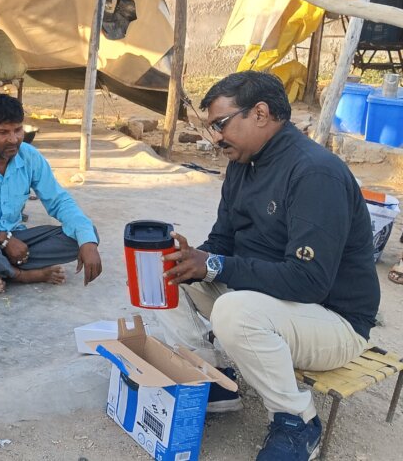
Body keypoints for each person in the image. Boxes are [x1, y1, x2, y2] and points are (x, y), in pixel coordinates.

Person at [156, 71, 379, 461]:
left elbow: (308, 282)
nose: (216, 137)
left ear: (260, 113)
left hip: (333, 320)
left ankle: (297, 421)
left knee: (234, 312)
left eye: (221, 124)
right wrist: (195, 261)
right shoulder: (243, 163)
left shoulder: (315, 173)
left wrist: (214, 265)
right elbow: (222, 241)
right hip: (270, 302)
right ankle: (216, 383)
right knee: (165, 275)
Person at [0, 94, 102, 293]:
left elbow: (59, 201)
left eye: (18, 130)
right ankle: (19, 274)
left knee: (85, 233)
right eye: (3, 132)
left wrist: (88, 242)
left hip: (16, 239)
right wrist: (2, 238)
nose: (13, 139)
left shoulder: (30, 156)